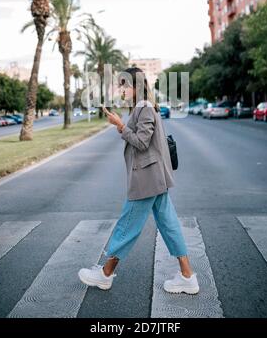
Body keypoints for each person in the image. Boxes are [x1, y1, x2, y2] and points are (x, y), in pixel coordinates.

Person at [78, 67, 199, 294]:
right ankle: (187, 276)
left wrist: (121, 126)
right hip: (154, 177)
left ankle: (105, 274)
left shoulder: (143, 107)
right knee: (169, 224)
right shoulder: (143, 107)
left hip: (146, 177)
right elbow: (143, 139)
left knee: (128, 225)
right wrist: (123, 126)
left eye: (124, 84)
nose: (120, 89)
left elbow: (142, 143)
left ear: (137, 86)